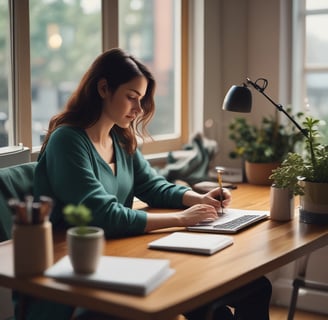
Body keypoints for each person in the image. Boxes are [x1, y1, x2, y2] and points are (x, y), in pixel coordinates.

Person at [26, 48, 271, 319]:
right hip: (75, 273)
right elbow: (102, 215)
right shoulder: (68, 141)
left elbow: (153, 186)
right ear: (104, 88)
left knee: (256, 288)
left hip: (119, 255)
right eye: (132, 97)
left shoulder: (120, 139)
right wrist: (182, 219)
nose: (139, 109)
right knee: (209, 306)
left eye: (141, 99)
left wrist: (198, 199)